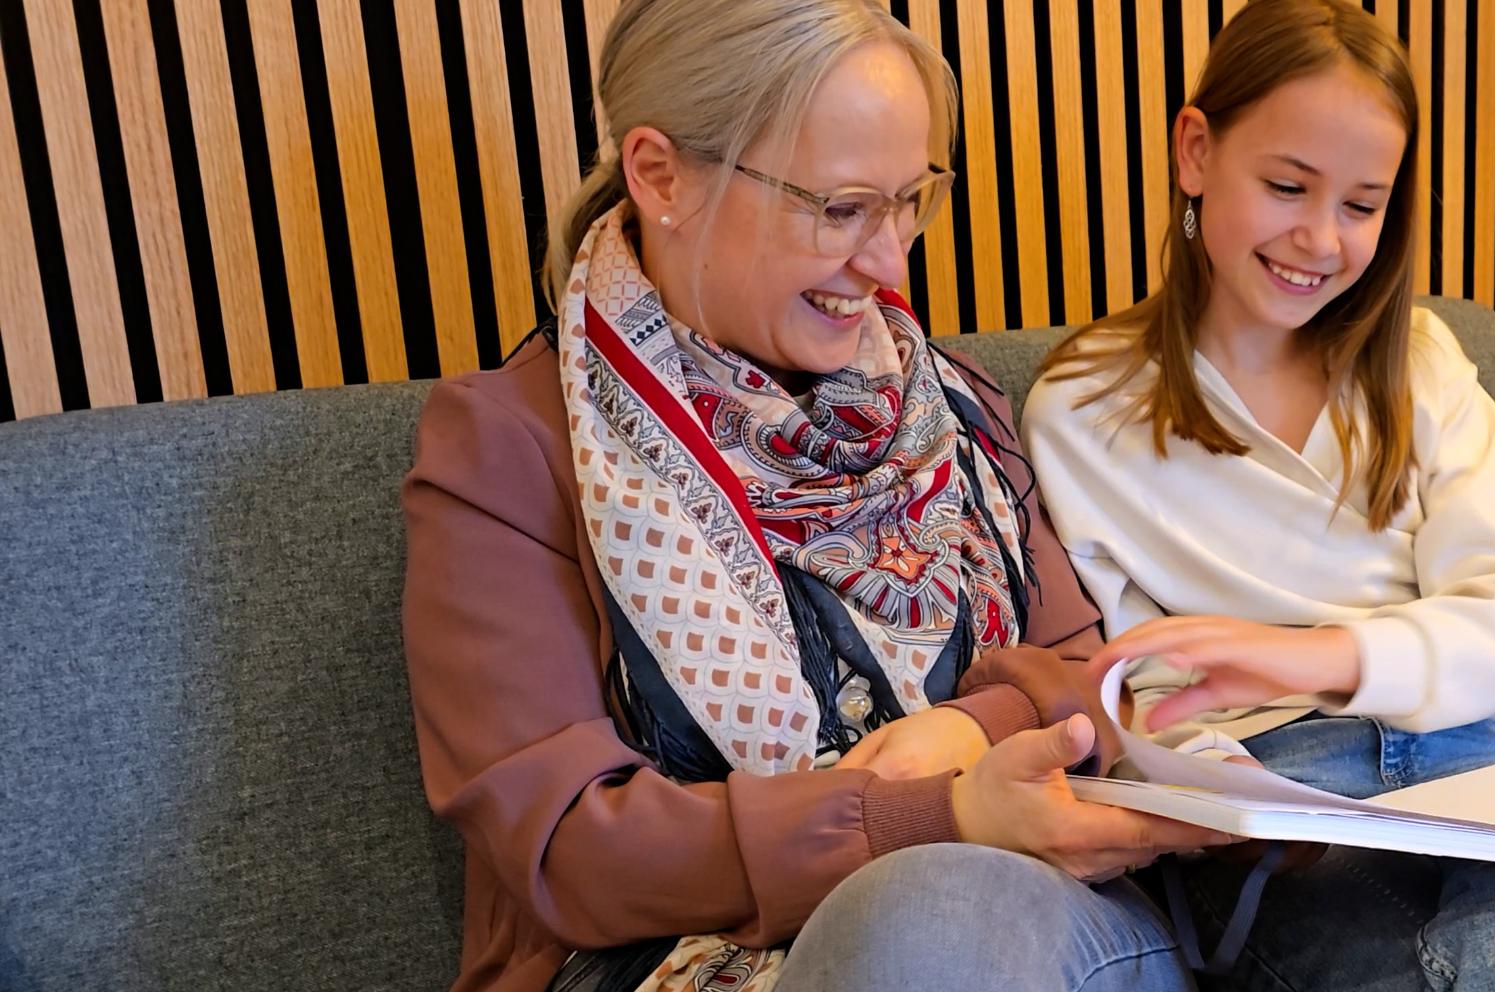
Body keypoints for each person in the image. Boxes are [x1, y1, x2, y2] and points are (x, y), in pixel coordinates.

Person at [400, 3, 1226, 990]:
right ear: (660, 175)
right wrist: (928, 815)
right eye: (839, 209)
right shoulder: (509, 446)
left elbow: (1089, 675)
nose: (889, 262)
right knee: (921, 918)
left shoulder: (955, 406)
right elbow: (571, 845)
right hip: (668, 962)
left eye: (911, 199)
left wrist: (968, 728)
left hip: (1039, 924)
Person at [1022, 1, 1495, 989]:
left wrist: (1321, 654)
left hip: (1476, 774)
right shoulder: (1084, 406)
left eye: (1361, 204)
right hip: (1280, 817)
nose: (1319, 236)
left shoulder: (1422, 364)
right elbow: (1132, 700)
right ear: (1194, 150)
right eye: (1285, 186)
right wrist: (1240, 794)